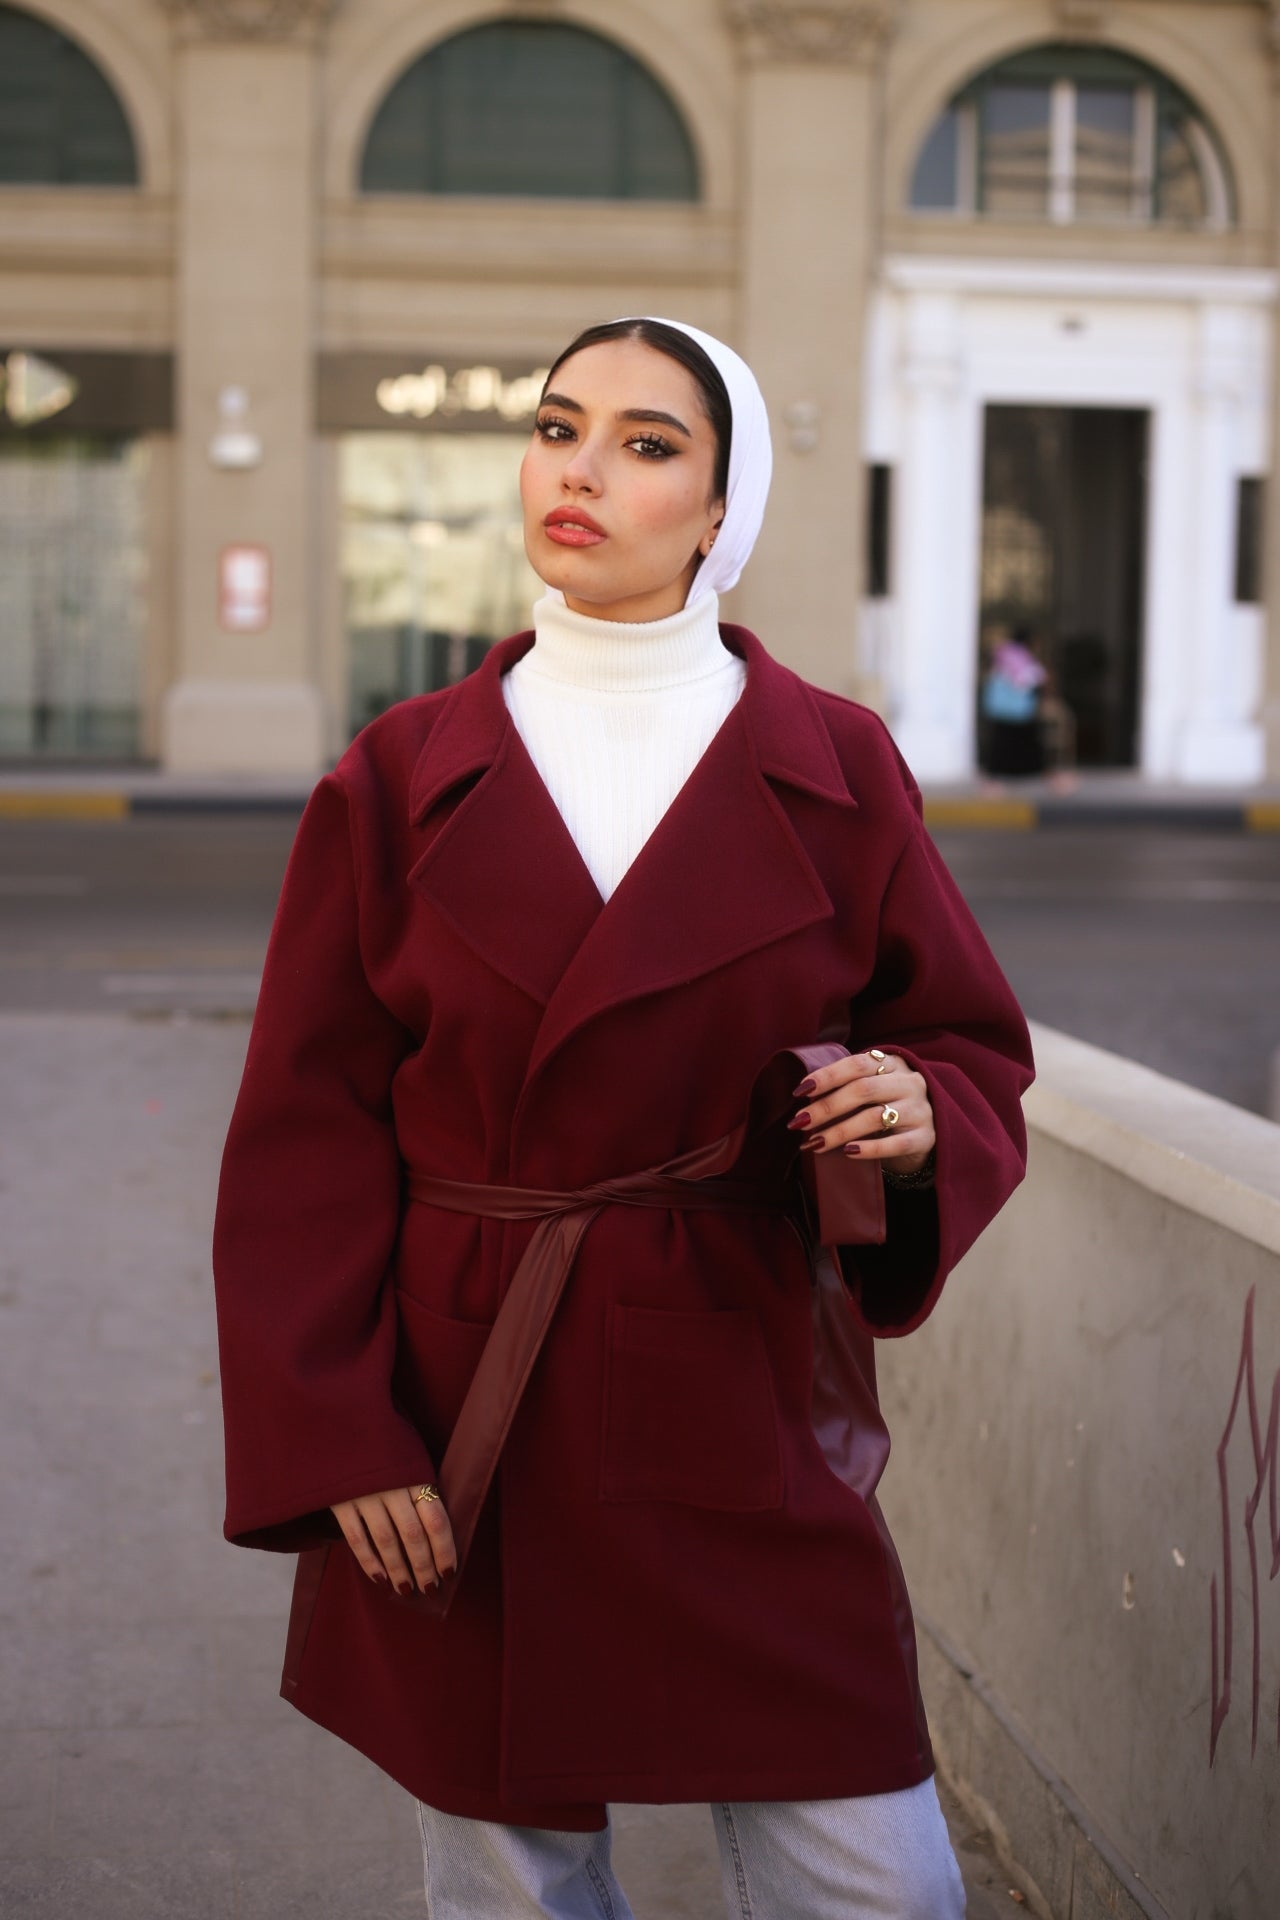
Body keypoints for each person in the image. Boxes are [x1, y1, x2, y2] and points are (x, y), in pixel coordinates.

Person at [213, 317, 1034, 1919]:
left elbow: (962, 1037)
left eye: (649, 444)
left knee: (879, 1883)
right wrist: (339, 1431)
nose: (581, 469)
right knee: (515, 1883)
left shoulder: (838, 768)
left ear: (725, 515)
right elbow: (301, 1136)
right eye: (558, 425)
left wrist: (917, 1110)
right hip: (467, 1409)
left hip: (736, 1376)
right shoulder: (394, 779)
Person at [980, 626, 1048, 780]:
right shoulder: (1017, 655)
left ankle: (999, 772)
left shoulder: (1002, 652)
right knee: (1022, 741)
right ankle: (1023, 771)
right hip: (1016, 708)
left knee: (1003, 741)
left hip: (1002, 707)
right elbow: (1026, 678)